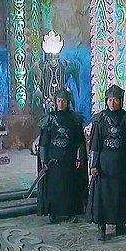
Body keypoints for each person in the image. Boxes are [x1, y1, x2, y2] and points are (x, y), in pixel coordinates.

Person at [86, 85, 126, 241]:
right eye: (110, 100)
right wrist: (93, 165)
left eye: (115, 100)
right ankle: (102, 227)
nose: (112, 102)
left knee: (122, 194)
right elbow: (95, 144)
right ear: (106, 101)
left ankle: (121, 225)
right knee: (104, 196)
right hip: (105, 165)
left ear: (120, 101)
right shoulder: (100, 120)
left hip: (124, 163)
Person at [37, 88, 87, 224]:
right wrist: (43, 160)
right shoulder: (49, 119)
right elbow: (44, 143)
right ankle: (53, 213)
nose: (61, 104)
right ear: (56, 102)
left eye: (63, 101)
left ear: (67, 102)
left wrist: (79, 157)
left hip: (69, 159)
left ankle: (71, 212)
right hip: (54, 160)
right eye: (59, 101)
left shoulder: (74, 119)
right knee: (54, 188)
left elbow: (79, 142)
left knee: (70, 187)